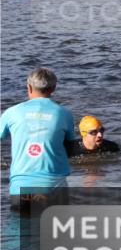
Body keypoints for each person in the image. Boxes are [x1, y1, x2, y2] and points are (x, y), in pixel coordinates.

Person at [0, 68, 75, 211]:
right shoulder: (64, 114)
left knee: (23, 230)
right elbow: (70, 146)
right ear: (54, 87)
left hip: (21, 186)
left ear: (28, 86)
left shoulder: (12, 112)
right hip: (55, 185)